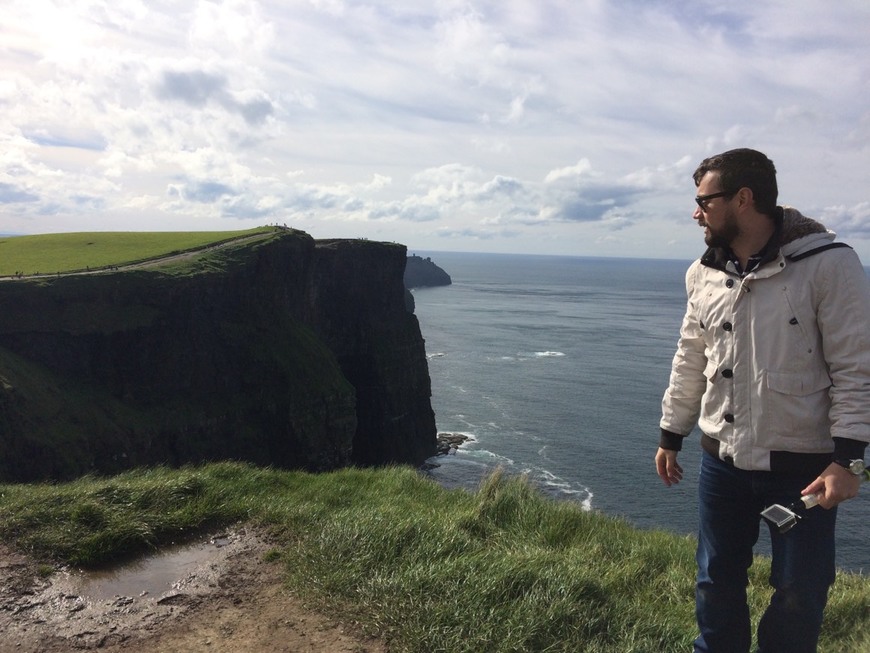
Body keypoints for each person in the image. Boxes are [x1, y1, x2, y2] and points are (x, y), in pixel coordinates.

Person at [655, 148, 870, 653]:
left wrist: (849, 461)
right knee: (715, 577)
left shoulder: (827, 265)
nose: (696, 212)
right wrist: (671, 433)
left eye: (704, 200)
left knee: (800, 590)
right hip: (722, 461)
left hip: (804, 469)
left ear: (743, 199)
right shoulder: (703, 272)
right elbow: (690, 356)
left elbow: (856, 366)